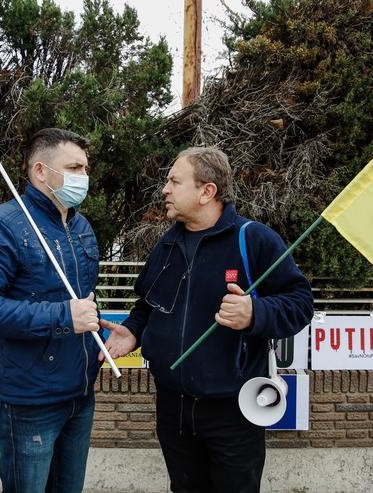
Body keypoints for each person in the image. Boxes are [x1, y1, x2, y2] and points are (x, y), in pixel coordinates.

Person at [100, 147, 314, 493]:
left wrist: (254, 313)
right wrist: (134, 332)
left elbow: (301, 303)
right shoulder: (166, 246)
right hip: (173, 410)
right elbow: (148, 305)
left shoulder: (254, 240)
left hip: (234, 411)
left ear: (206, 191)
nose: (165, 190)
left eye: (174, 181)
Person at [0, 128, 102, 493]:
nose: (83, 177)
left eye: (85, 169)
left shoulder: (81, 227)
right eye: (73, 167)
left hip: (80, 394)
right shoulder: (2, 225)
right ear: (40, 171)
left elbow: (82, 300)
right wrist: (62, 317)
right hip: (30, 401)